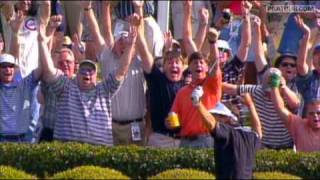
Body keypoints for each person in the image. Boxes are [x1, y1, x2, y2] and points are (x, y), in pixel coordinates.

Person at [38, 15, 137, 146]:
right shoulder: (66, 87)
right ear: (77, 73)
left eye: (91, 71)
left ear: (96, 76)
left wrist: (130, 47)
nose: (87, 74)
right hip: (67, 151)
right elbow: (49, 69)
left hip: (99, 154)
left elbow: (122, 70)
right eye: (83, 70)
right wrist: (41, 42)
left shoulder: (104, 90)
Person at [191, 85, 262, 179]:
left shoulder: (228, 133)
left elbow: (212, 124)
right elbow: (258, 130)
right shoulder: (249, 135)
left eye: (215, 115)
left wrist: (198, 103)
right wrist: (251, 105)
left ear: (226, 118)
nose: (212, 117)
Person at [270, 69, 320, 152]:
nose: (315, 116)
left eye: (319, 113)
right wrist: (274, 85)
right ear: (306, 115)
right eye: (311, 113)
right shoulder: (299, 125)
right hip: (302, 165)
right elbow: (280, 109)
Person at [145, 49, 185, 148]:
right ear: (164, 67)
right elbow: (145, 56)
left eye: (177, 62)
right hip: (160, 139)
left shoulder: (189, 85)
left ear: (183, 67)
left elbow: (199, 57)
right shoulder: (158, 80)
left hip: (183, 140)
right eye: (170, 62)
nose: (174, 65)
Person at [0, 53, 42, 142]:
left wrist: (42, 43)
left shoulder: (23, 85)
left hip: (21, 140)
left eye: (11, 66)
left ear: (15, 70)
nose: (8, 69)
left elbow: (41, 69)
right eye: (3, 66)